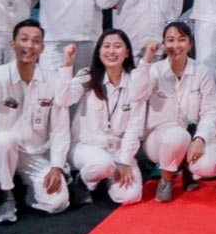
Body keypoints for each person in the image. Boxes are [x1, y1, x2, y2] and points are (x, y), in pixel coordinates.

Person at [0, 21, 69, 223]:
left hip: (33, 153)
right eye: (24, 39)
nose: (29, 45)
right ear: (12, 44)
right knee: (6, 140)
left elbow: (60, 129)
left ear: (42, 48)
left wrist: (56, 166)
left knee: (57, 202)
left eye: (36, 41)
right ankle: (5, 195)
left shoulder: (53, 80)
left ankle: (26, 190)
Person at [57, 29, 155, 206]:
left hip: (118, 149)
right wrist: (67, 64)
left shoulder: (135, 82)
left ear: (126, 53)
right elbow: (63, 99)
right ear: (99, 51)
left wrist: (125, 161)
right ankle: (84, 181)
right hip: (87, 146)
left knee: (130, 196)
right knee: (101, 164)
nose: (111, 51)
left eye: (117, 46)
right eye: (106, 46)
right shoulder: (88, 76)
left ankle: (103, 179)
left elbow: (135, 125)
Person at [143, 21, 216, 203]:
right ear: (164, 44)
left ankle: (188, 169)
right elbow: (137, 93)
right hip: (160, 138)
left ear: (190, 44)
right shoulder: (154, 70)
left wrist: (200, 138)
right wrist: (146, 60)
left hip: (192, 133)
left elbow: (210, 110)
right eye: (170, 40)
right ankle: (166, 180)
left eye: (181, 40)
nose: (176, 45)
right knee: (177, 136)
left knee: (209, 165)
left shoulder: (201, 71)